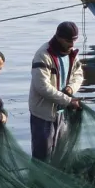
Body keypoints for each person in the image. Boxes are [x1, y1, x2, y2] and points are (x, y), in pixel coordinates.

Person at [29, 21, 85, 161]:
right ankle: (38, 181)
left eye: (74, 40)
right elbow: (42, 86)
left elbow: (79, 75)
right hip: (43, 114)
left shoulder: (71, 54)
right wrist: (68, 100)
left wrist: (71, 87)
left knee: (61, 154)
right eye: (68, 41)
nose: (72, 45)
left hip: (63, 113)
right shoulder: (43, 55)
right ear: (59, 37)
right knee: (43, 156)